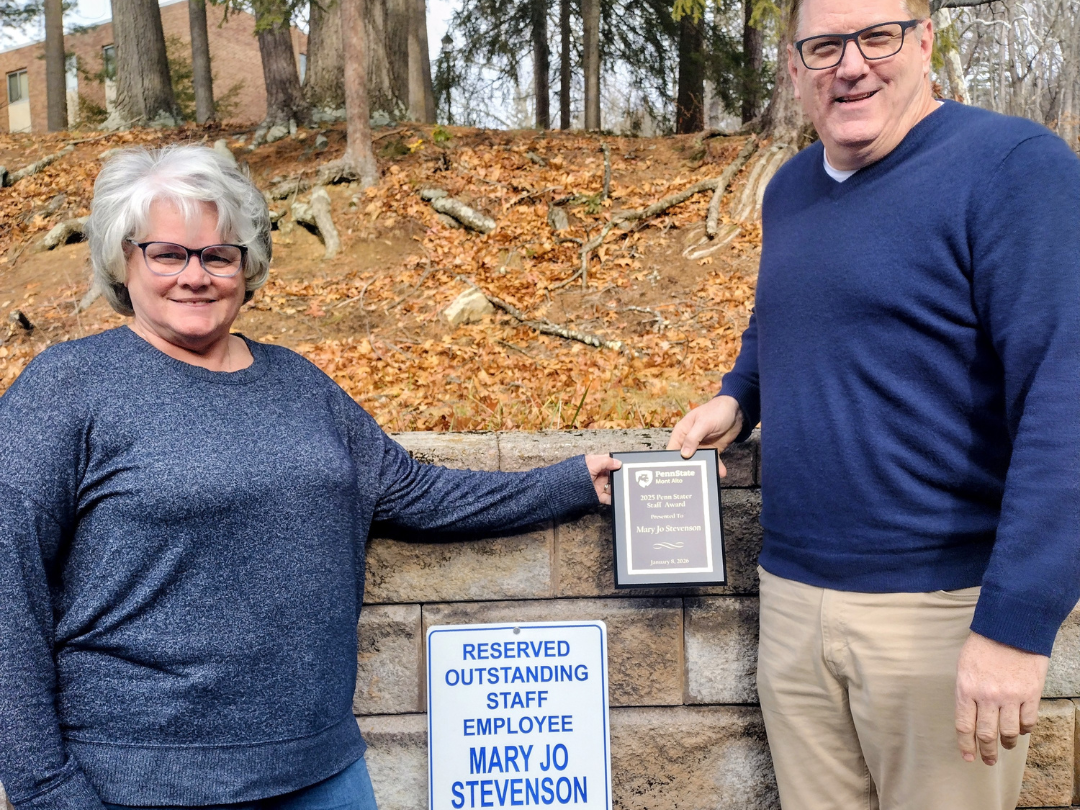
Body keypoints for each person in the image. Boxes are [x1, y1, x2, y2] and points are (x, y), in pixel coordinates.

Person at [0, 145, 620, 810]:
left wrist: (571, 483)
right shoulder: (66, 389)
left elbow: (416, 492)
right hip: (140, 781)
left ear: (247, 265)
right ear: (124, 259)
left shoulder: (299, 385)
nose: (195, 276)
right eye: (168, 254)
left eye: (218, 255)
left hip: (321, 772)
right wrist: (45, 788)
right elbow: (8, 590)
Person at [667, 0, 1080, 807]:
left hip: (939, 615)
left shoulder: (1016, 169)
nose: (850, 64)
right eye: (823, 46)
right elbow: (787, 314)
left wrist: (1015, 624)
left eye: (876, 36)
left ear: (923, 41)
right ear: (794, 67)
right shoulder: (789, 190)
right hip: (790, 603)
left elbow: (1064, 396)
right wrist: (738, 396)